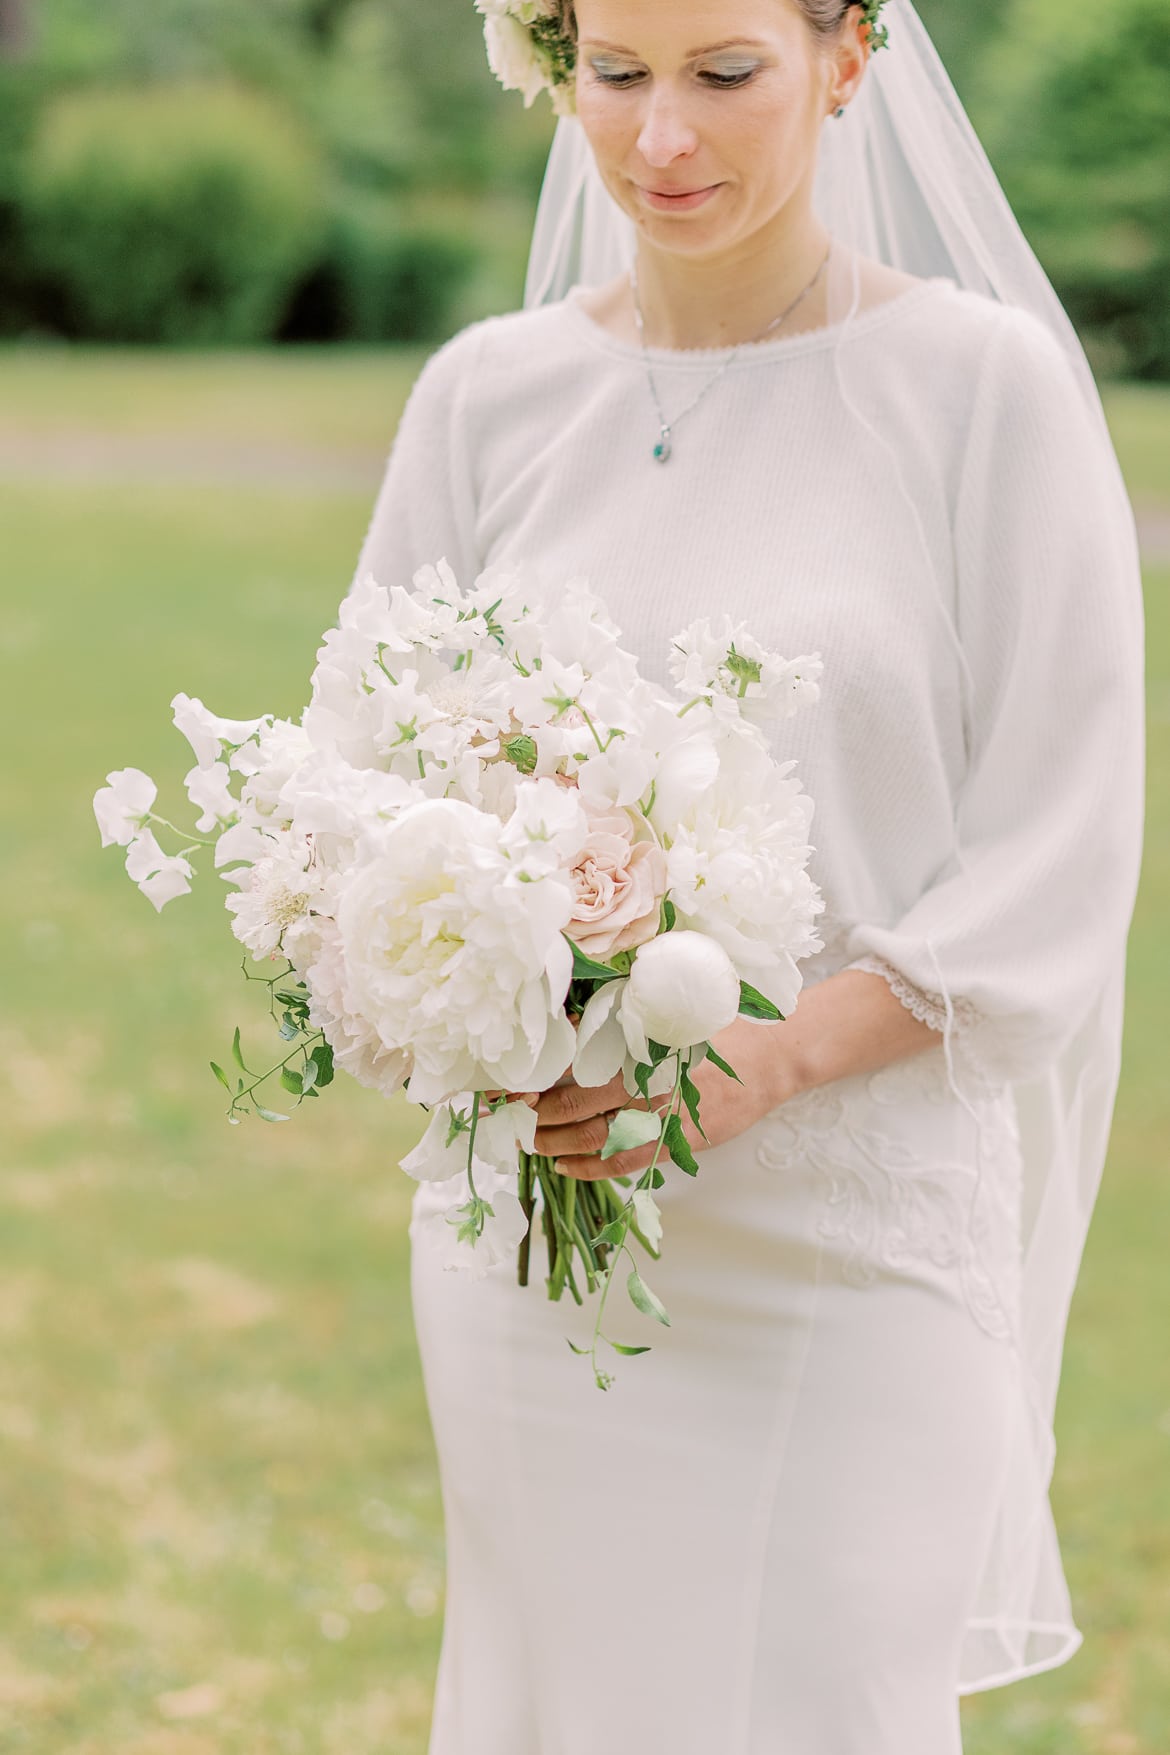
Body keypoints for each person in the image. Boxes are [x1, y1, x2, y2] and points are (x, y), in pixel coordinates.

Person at [347, 1, 1146, 1749]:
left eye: (722, 74)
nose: (658, 142)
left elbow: (1061, 826)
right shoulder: (484, 397)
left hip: (846, 1241)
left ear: (845, 56)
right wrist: (474, 1001)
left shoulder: (978, 388)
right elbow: (363, 789)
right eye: (613, 76)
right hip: (541, 1236)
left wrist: (766, 1059)